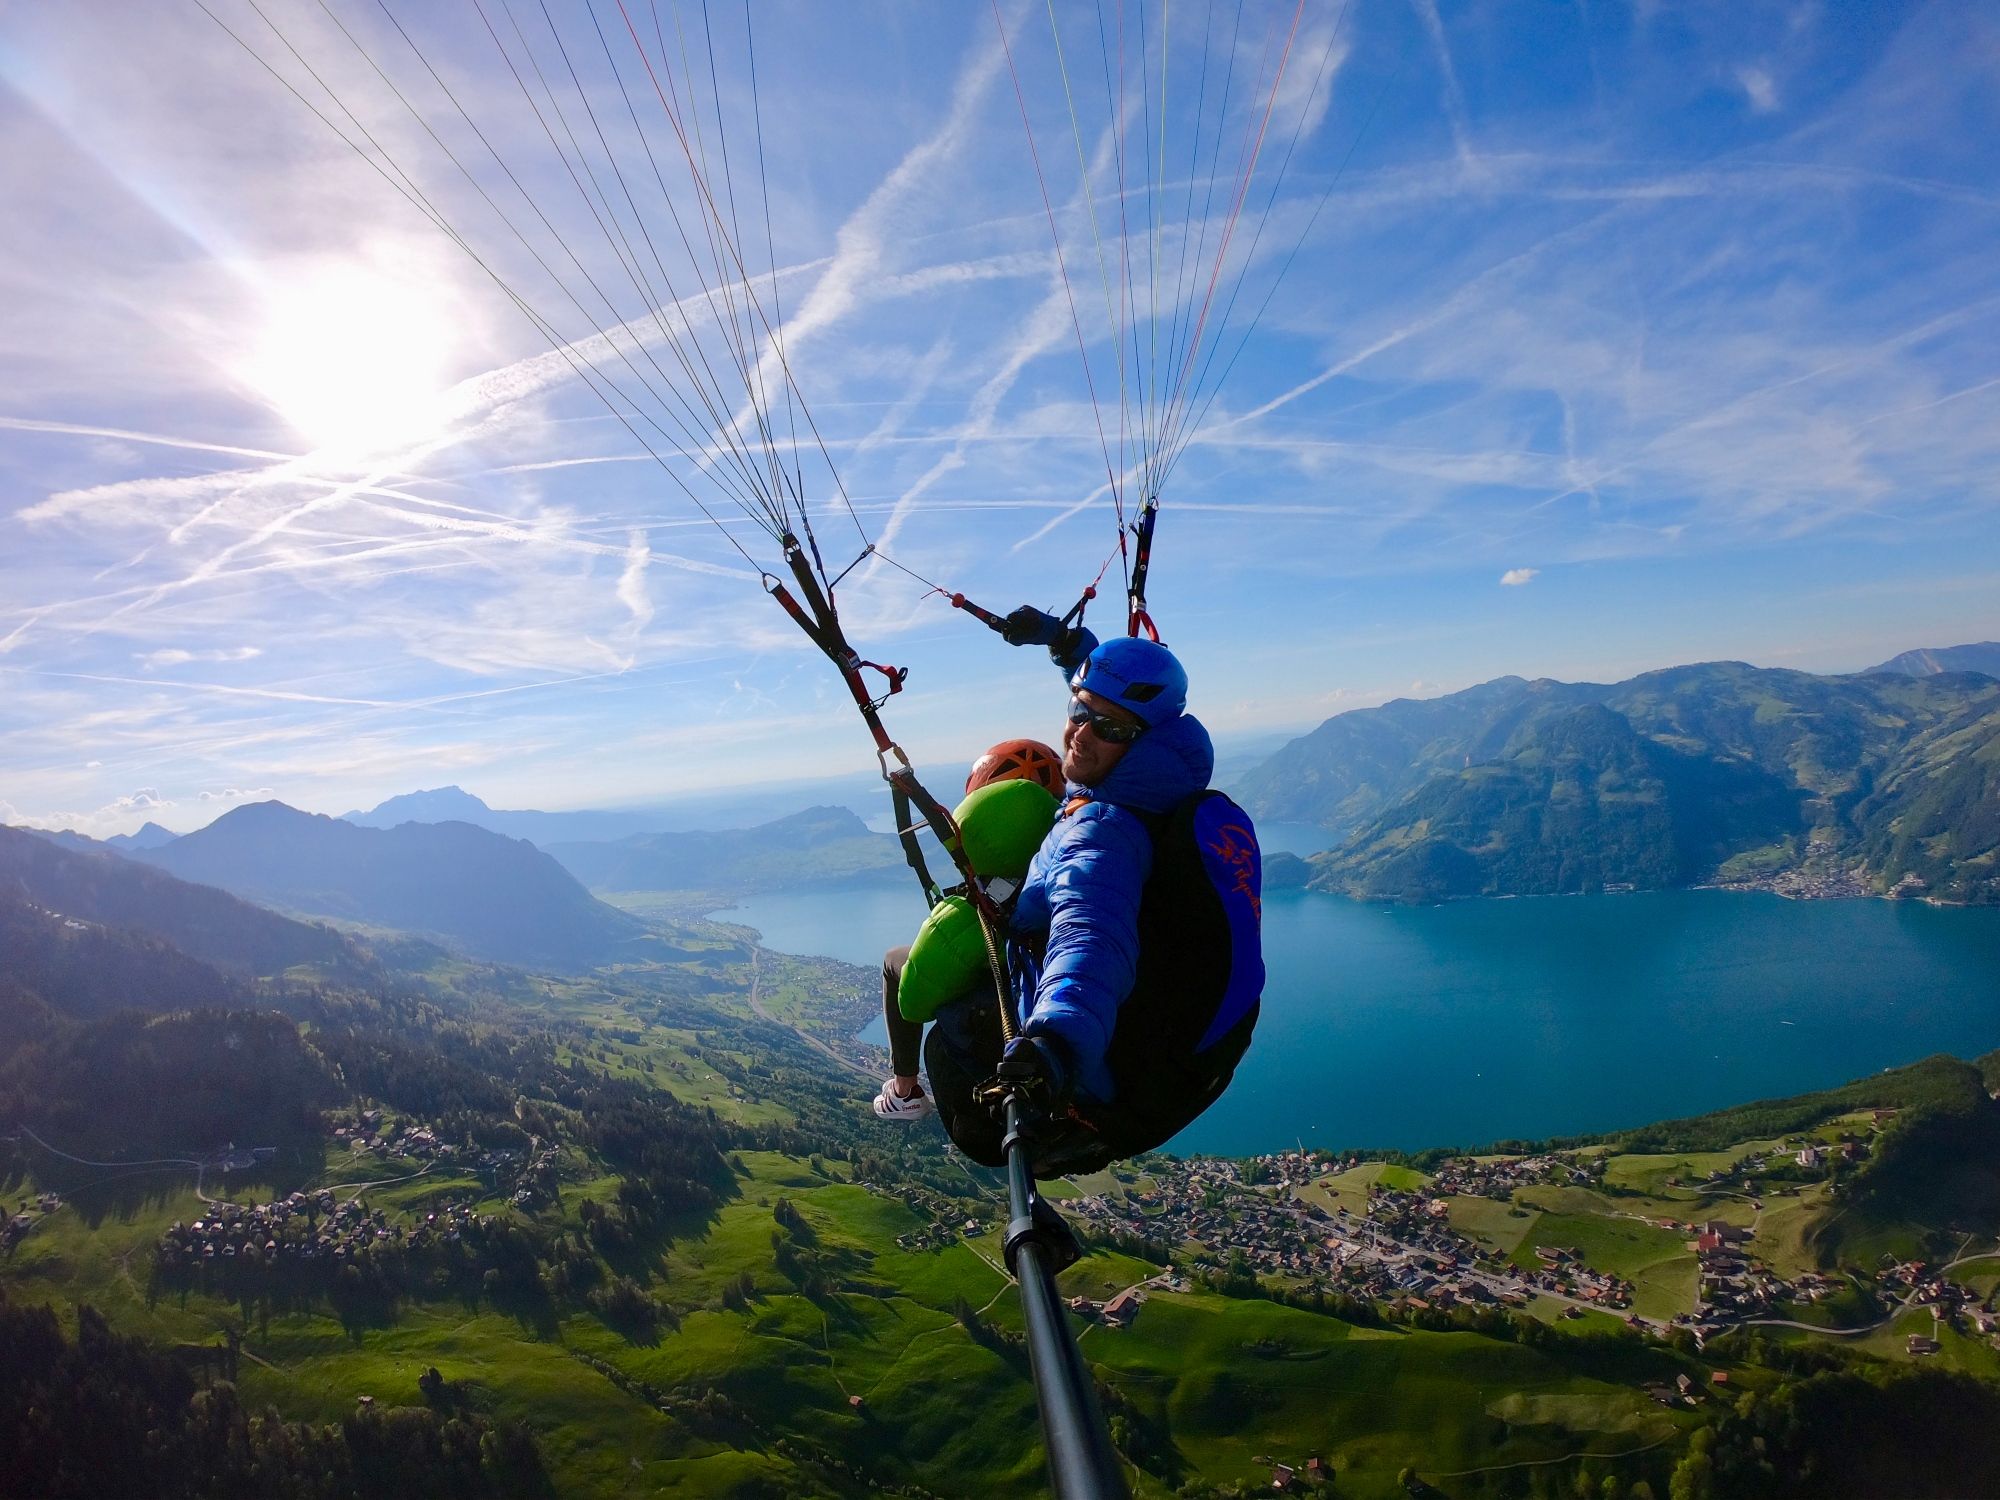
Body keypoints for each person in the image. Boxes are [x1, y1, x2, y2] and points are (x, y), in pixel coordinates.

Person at [872, 609, 1216, 1176]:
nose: (1082, 731)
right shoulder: (1154, 780)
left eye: (1109, 728)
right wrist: (1064, 643)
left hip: (1086, 1071)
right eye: (1079, 711)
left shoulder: (1099, 832)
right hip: (1166, 1057)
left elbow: (1090, 941)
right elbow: (1110, 697)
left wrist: (1052, 1046)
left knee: (939, 1021)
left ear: (1144, 737)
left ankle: (908, 1090)